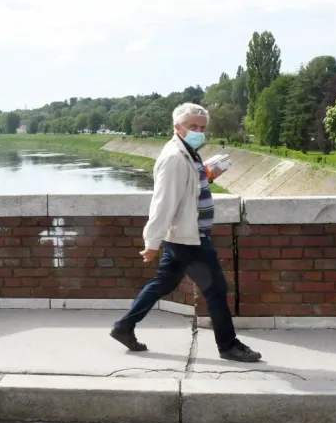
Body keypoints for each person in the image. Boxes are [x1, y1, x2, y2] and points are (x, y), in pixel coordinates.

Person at [110, 103, 261, 363]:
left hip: (185, 234)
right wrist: (152, 242)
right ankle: (228, 345)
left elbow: (186, 189)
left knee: (164, 282)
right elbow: (163, 202)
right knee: (216, 290)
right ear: (177, 127)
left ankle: (125, 327)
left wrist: (207, 175)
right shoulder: (174, 158)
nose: (198, 132)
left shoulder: (187, 152)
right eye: (193, 127)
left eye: (202, 128)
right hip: (189, 237)